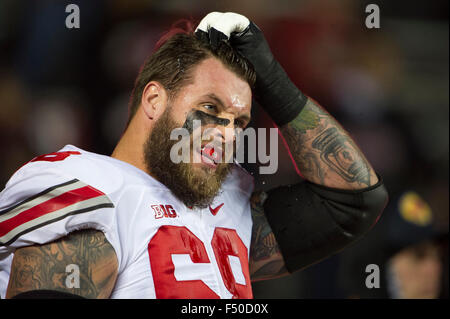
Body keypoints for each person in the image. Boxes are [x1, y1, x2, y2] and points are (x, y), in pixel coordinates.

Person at [0, 12, 388, 299]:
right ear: (154, 100)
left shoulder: (229, 207)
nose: (225, 133)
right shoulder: (93, 187)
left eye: (239, 121)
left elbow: (355, 201)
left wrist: (273, 80)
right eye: (210, 107)